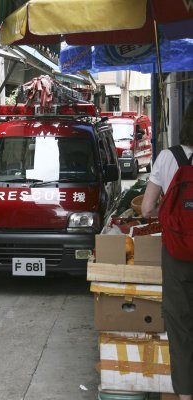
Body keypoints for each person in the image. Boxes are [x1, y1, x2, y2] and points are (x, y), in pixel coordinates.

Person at [141, 99, 193, 400]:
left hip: (177, 255)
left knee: (182, 328)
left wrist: (166, 207)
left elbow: (147, 208)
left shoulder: (166, 158)